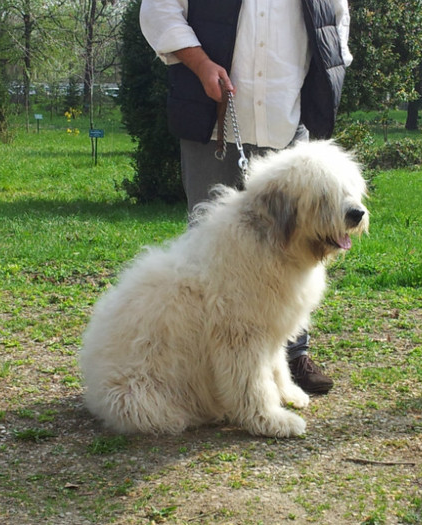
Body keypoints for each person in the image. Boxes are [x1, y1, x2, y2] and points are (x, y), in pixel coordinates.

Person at [139, 0, 352, 394]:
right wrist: (201, 64)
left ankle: (291, 356)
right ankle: (205, 362)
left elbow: (334, 21)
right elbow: (159, 11)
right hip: (214, 119)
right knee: (210, 256)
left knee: (299, 247)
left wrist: (321, 81)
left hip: (287, 121)